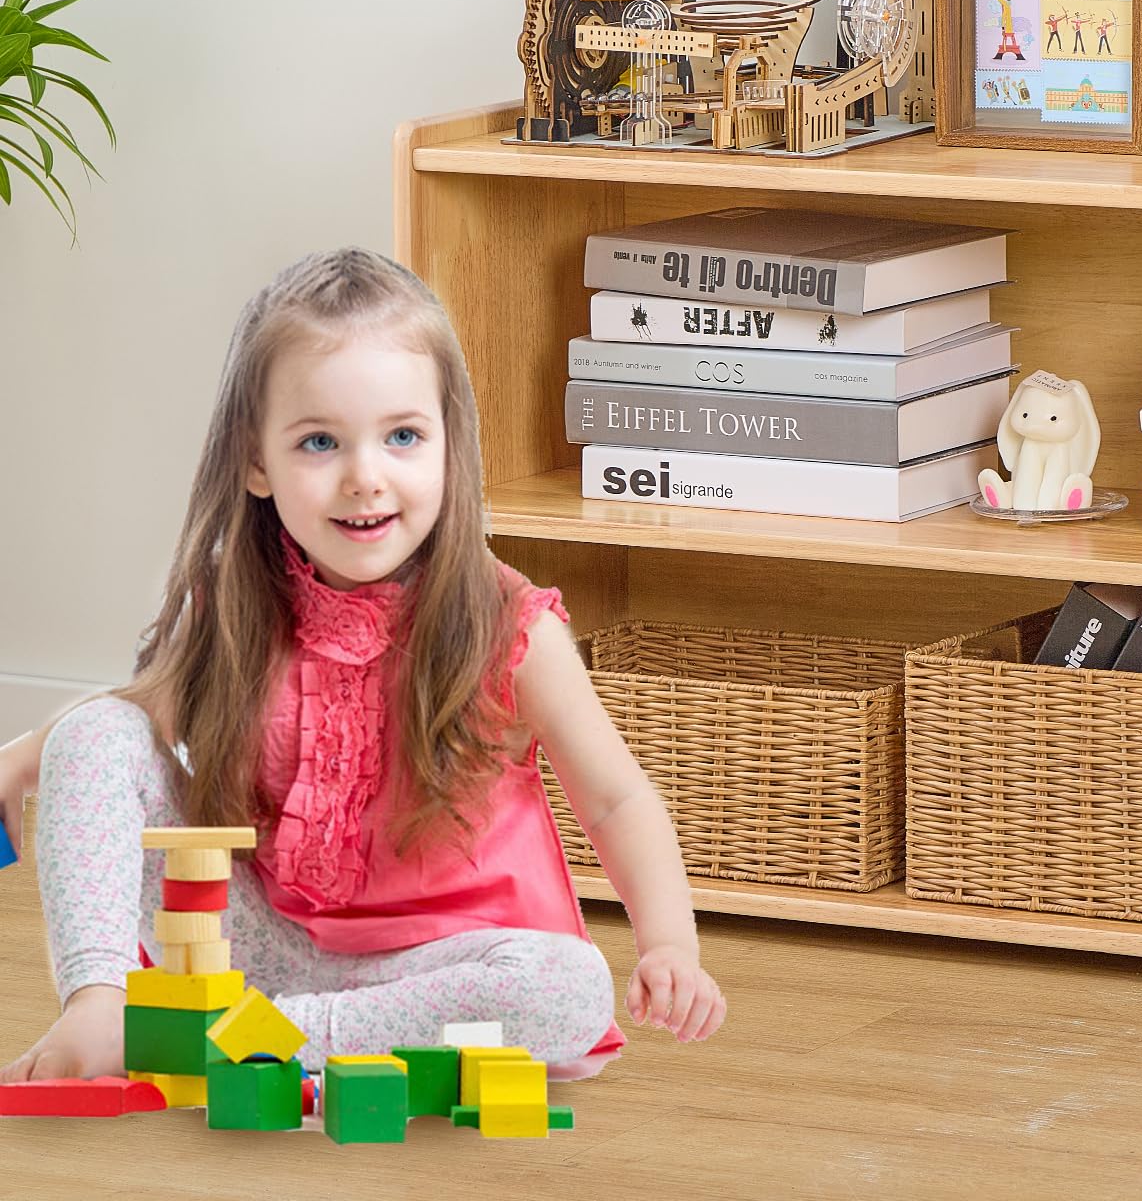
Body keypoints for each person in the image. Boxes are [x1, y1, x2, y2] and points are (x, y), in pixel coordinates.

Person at [0, 248, 725, 1084]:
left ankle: (246, 1039)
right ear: (256, 462)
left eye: (403, 436)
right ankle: (101, 1007)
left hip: (449, 970)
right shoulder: (237, 599)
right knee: (96, 728)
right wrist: (23, 760)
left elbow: (617, 798)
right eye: (320, 442)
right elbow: (133, 721)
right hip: (266, 948)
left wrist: (670, 945)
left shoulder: (511, 628)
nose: (365, 478)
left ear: (450, 445)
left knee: (571, 988)